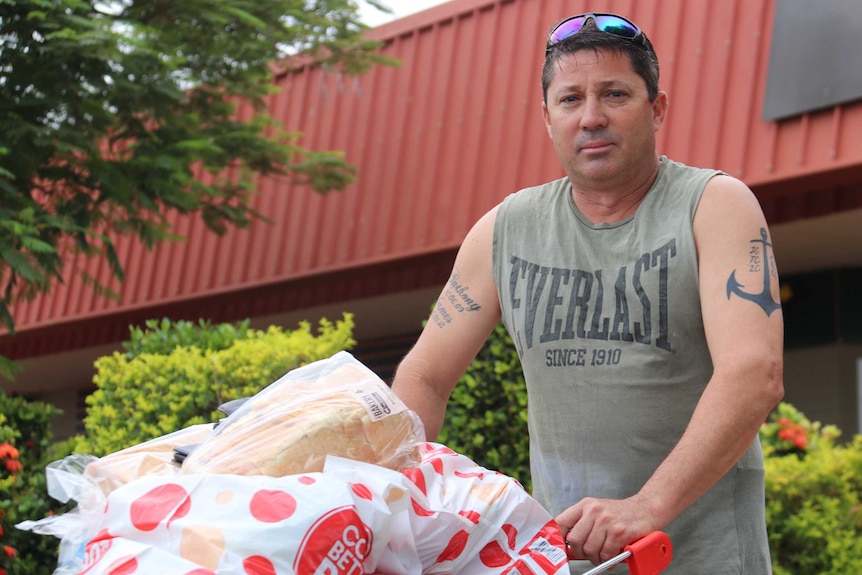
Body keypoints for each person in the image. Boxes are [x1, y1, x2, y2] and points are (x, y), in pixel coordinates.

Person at [390, 11, 785, 575]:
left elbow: (754, 373)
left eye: (615, 94)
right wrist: (389, 492)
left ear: (657, 108)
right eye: (570, 99)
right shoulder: (505, 230)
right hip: (568, 561)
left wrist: (648, 507)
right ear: (547, 117)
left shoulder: (714, 206)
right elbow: (425, 376)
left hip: (704, 558)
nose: (591, 117)